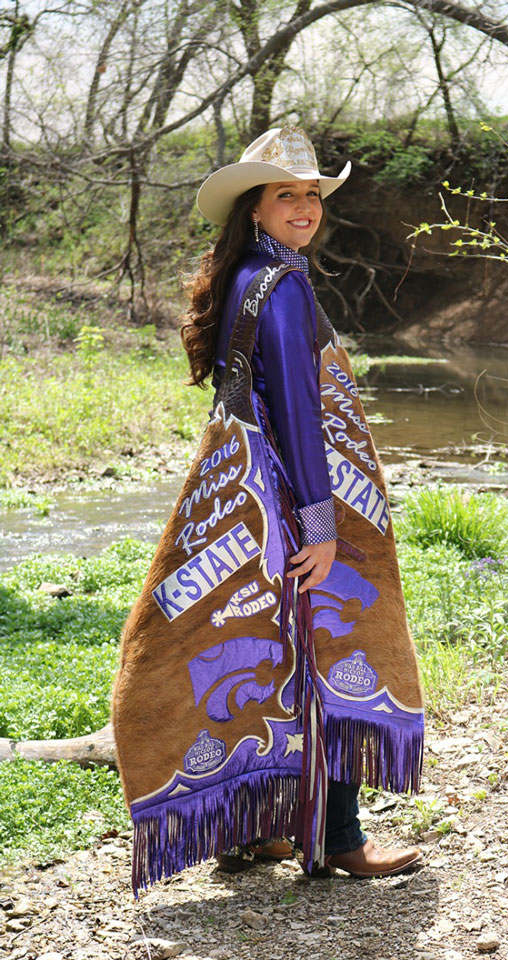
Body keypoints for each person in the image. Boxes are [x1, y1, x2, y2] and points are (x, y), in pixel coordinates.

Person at [112, 127, 424, 894]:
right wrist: (321, 525)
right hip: (289, 501)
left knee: (255, 642)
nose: (305, 207)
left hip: (243, 501)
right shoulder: (279, 286)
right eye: (287, 193)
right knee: (326, 652)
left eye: (312, 194)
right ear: (254, 207)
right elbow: (296, 408)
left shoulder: (246, 274)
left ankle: (249, 830)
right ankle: (338, 838)